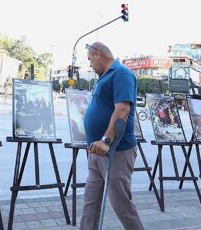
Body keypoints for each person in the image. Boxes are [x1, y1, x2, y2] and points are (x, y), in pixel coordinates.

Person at [80, 42, 144, 230]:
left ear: (97, 54)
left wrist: (106, 140)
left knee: (121, 204)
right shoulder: (103, 77)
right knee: (90, 203)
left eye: (90, 59)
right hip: (96, 151)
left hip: (116, 150)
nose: (90, 65)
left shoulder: (121, 73)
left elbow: (123, 110)